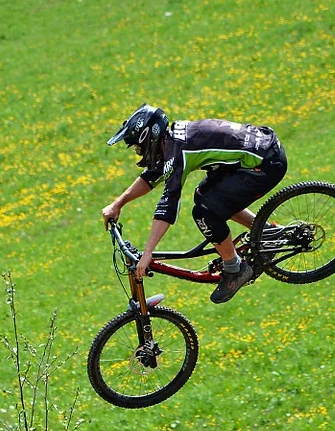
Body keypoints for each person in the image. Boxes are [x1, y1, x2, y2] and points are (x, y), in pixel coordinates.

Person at [102, 104, 287, 304]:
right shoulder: (174, 141)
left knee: (204, 212)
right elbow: (152, 176)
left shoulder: (178, 152)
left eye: (139, 147)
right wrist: (118, 203)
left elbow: (168, 204)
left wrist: (148, 253)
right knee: (204, 196)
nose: (139, 153)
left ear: (150, 138)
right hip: (262, 152)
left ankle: (235, 269)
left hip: (265, 165)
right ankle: (267, 232)